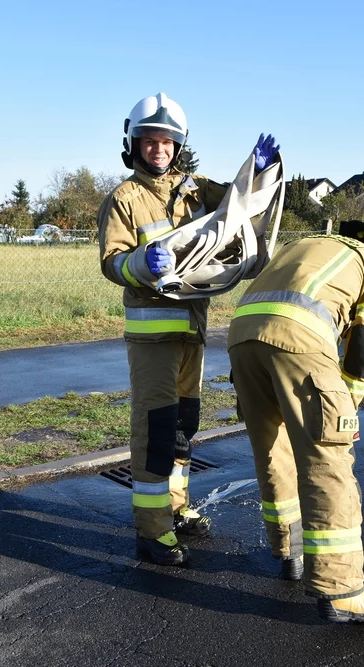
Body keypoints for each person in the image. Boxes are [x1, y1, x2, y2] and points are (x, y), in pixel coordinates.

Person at [97, 92, 279, 565]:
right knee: (155, 431)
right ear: (133, 144)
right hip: (153, 338)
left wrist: (259, 170)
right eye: (150, 141)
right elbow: (111, 263)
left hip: (192, 334)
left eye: (167, 142)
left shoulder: (195, 191)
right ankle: (152, 531)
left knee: (182, 428)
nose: (159, 150)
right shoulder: (123, 199)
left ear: (179, 146)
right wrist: (140, 261)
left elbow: (242, 206)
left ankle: (176, 510)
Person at [227, 221, 364, 624]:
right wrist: (345, 406)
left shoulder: (308, 244)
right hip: (299, 337)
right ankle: (343, 590)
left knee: (274, 449)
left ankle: (291, 551)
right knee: (328, 460)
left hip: (242, 337)